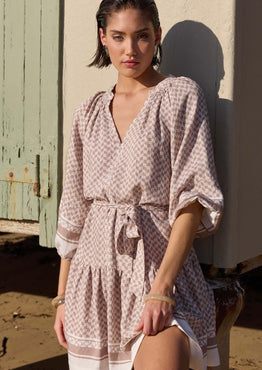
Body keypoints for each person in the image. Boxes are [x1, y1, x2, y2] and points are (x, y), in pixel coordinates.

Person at [53, 0, 224, 369]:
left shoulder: (180, 96)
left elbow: (192, 201)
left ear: (157, 36)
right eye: (118, 37)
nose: (131, 50)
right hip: (93, 286)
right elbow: (74, 212)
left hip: (158, 275)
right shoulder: (89, 112)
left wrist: (161, 289)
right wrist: (62, 298)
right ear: (103, 39)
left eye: (142, 36)